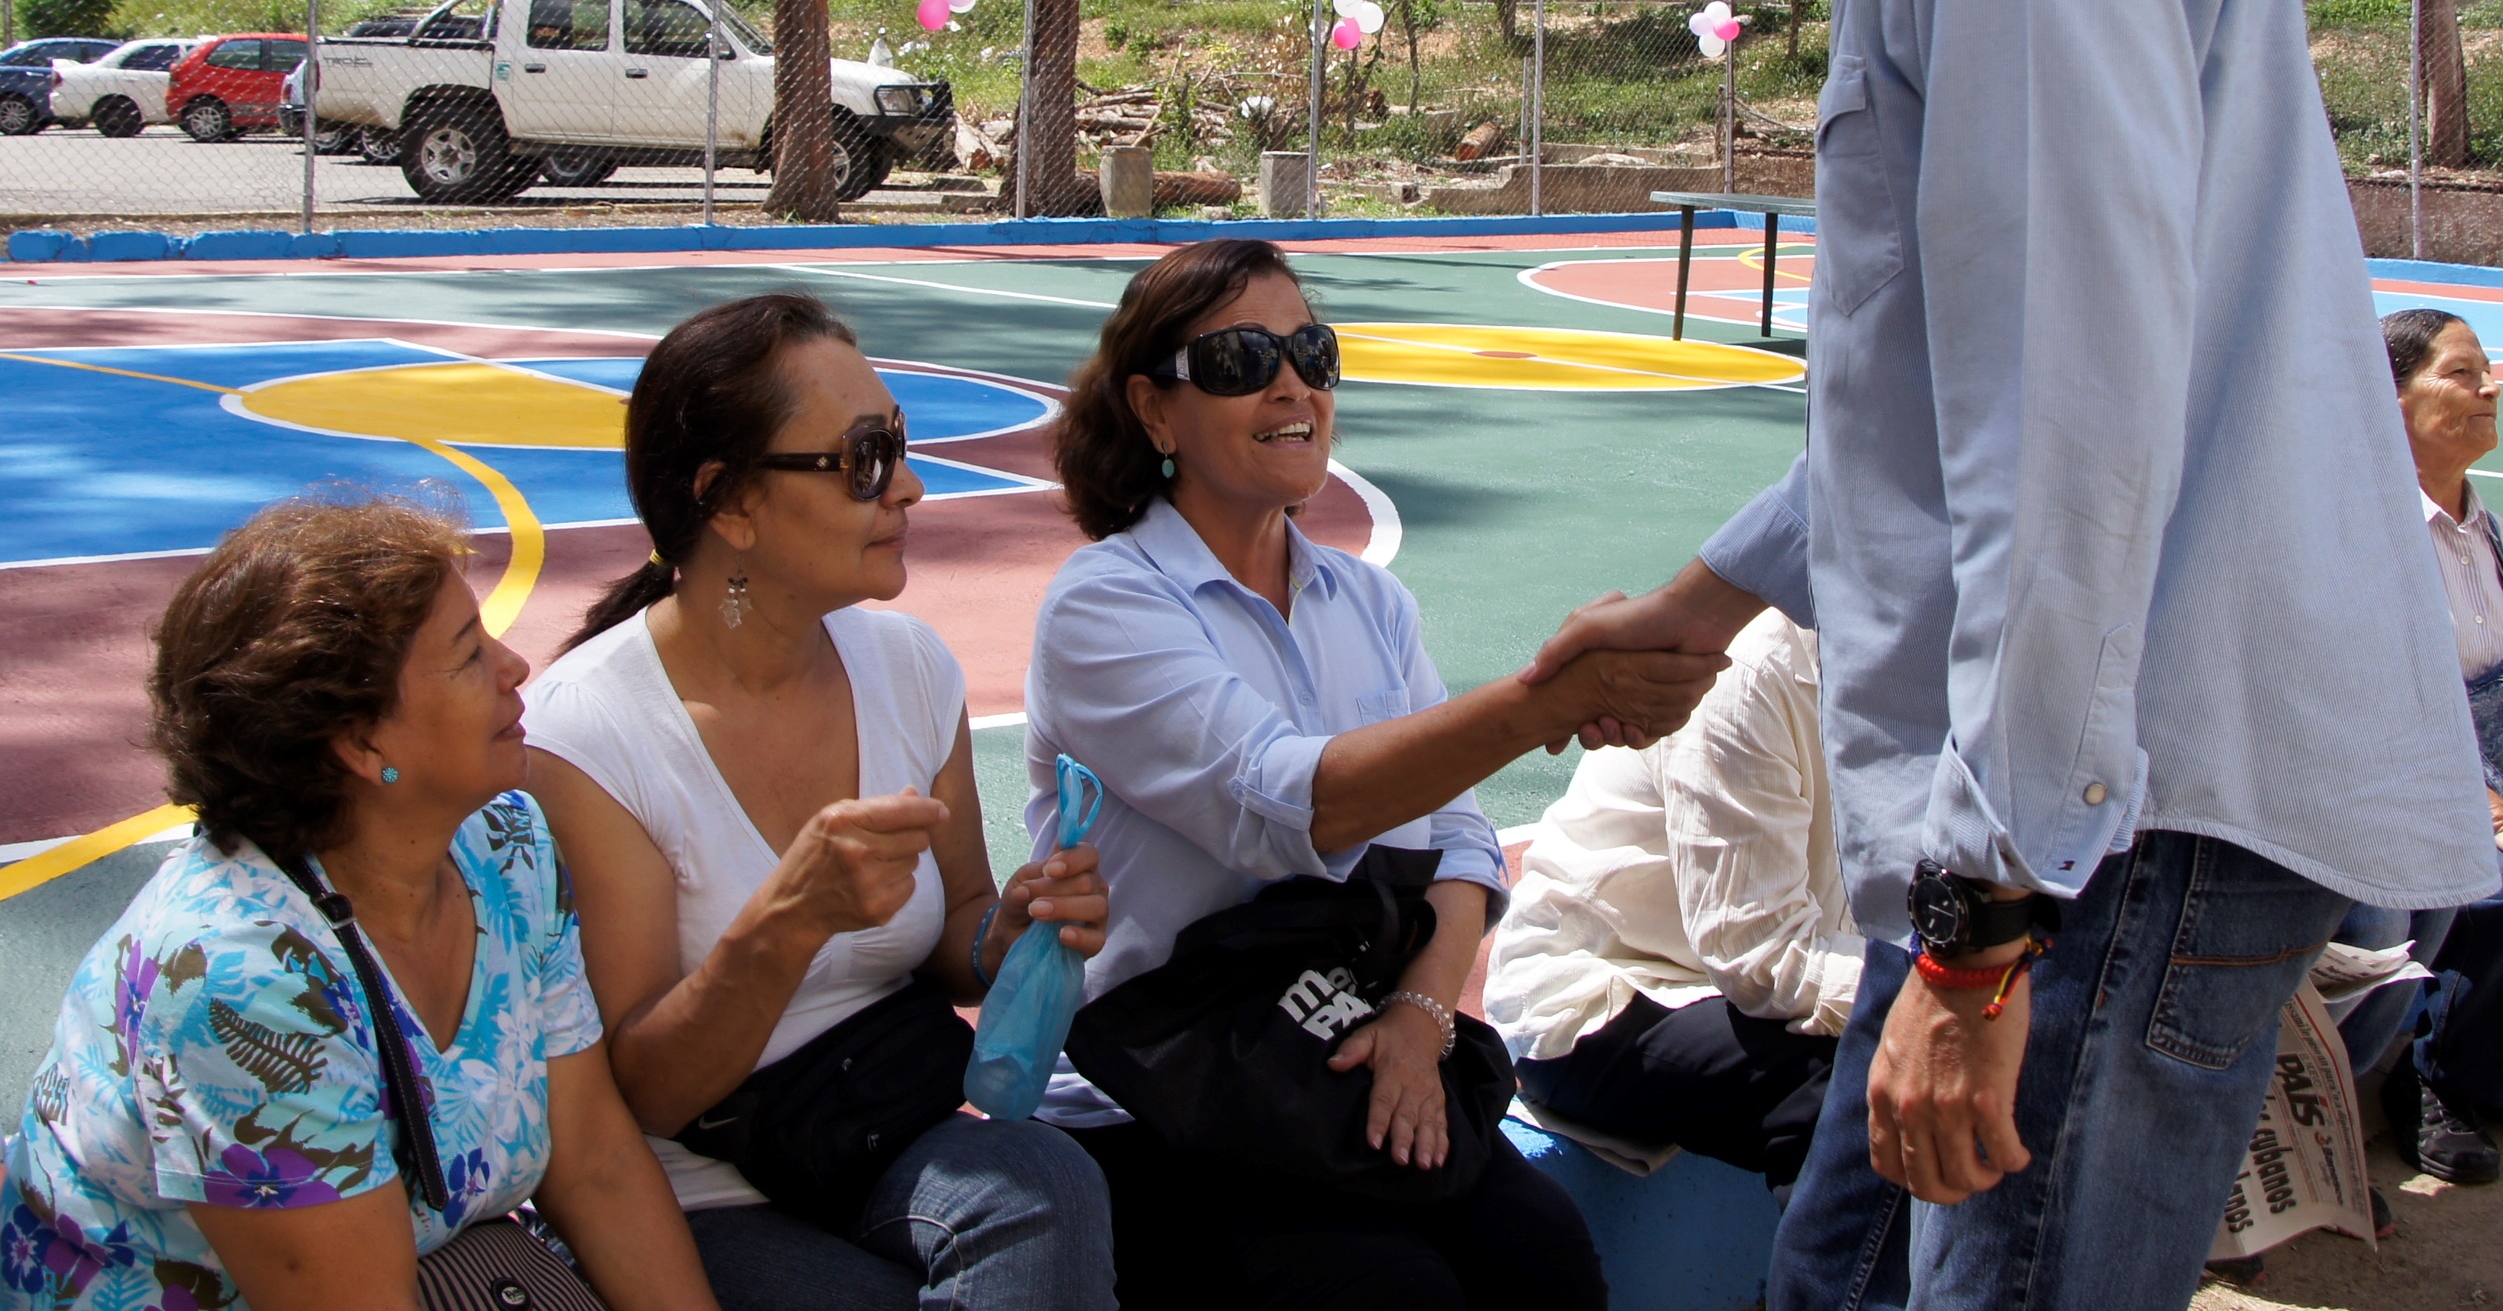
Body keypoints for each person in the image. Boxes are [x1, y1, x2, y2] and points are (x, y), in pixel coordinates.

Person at [1531, 0, 2498, 1311]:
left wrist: (1976, 956)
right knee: (1842, 1284)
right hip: (2052, 833)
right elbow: (1934, 394)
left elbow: (2064, 434)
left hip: (2106, 827)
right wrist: (1703, 600)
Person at [1025, 235, 1727, 1311]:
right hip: (1158, 1087)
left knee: (1543, 1254)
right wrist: (1542, 700)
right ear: (1154, 409)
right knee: (1381, 1289)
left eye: (1312, 349)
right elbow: (1286, 801)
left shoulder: (1368, 603)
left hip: (1331, 1044)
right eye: (1240, 359)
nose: (1292, 380)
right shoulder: (1106, 605)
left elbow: (1456, 836)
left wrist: (1416, 1015)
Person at [524, 292, 1116, 1311]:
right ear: (730, 500)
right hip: (701, 1186)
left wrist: (1011, 927)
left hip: (879, 1127)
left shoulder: (909, 665)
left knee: (1050, 1179)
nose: (912, 486)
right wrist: (785, 924)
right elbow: (641, 1094)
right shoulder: (587, 734)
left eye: (899, 443)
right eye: (865, 459)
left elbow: (956, 929)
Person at [0, 495, 721, 1311]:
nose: (516, 664)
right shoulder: (238, 975)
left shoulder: (504, 843)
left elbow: (594, 1163)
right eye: (467, 654)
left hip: (427, 1257)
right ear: (360, 741)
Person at [1485, 608, 1859, 1205]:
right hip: (1605, 994)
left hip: (1731, 976)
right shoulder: (1750, 674)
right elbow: (1760, 956)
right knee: (1847, 1090)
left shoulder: (1944, 675)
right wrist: (1928, 990)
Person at [2363, 307, 2503, 1183]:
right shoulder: (2368, 539)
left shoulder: (2481, 535)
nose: (2489, 386)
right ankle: (2430, 1079)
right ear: (2391, 397)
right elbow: (2370, 703)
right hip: (2405, 771)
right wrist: (2475, 795)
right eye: (2462, 372)